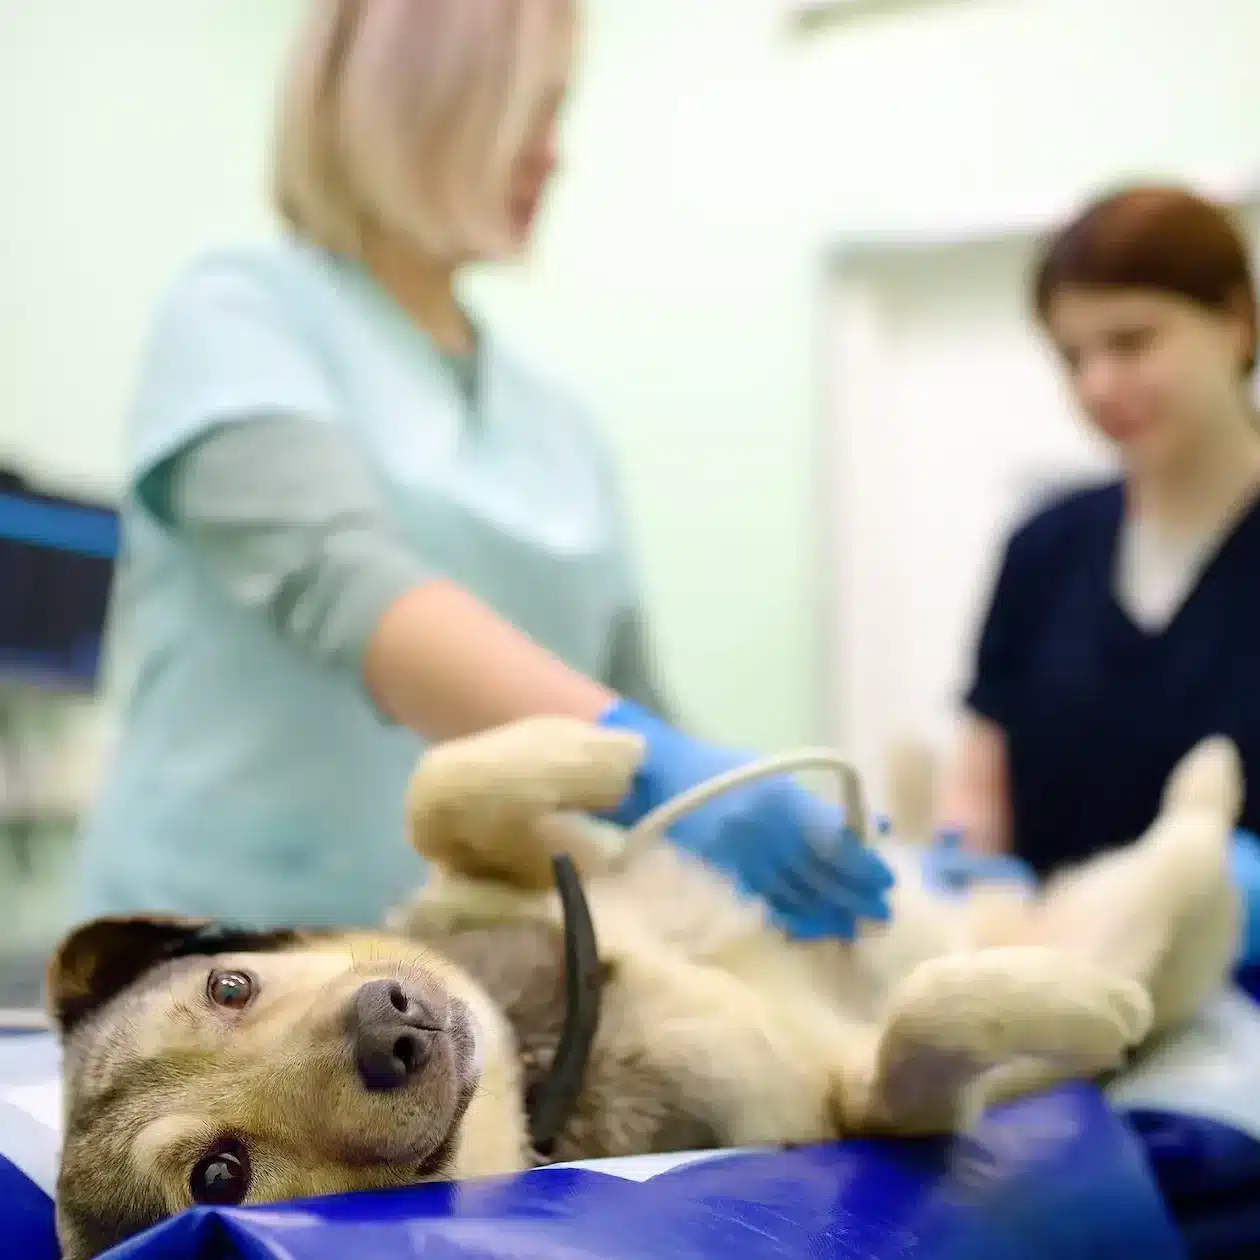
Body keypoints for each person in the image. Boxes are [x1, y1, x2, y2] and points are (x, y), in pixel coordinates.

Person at [71, 0, 892, 937]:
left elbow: (628, 700)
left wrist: (792, 815)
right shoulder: (239, 316)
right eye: (531, 113)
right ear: (418, 103)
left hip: (464, 973)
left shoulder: (557, 424)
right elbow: (351, 590)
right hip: (215, 959)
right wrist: (649, 768)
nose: (555, 155)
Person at [924, 183, 1260, 966]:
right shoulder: (1045, 547)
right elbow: (983, 780)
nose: (1097, 386)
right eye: (1073, 357)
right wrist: (963, 874)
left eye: (1132, 342)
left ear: (1238, 321)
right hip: (1059, 1001)